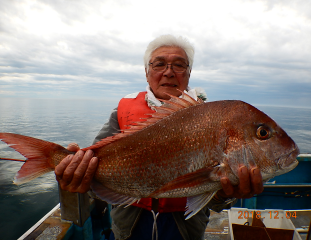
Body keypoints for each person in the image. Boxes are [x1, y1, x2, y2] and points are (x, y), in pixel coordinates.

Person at [55, 35, 264, 240]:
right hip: (129, 226)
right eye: (159, 64)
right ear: (147, 73)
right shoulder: (121, 112)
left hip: (184, 229)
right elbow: (93, 164)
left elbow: (215, 199)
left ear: (189, 74)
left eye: (179, 65)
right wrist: (76, 170)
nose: (169, 72)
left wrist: (225, 194)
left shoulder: (212, 119)